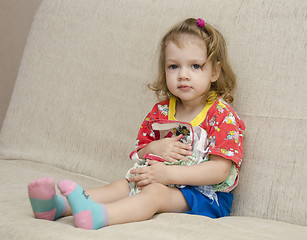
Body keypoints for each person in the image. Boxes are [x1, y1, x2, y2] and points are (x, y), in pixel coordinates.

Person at [28, 17, 245, 230]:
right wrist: (153, 148)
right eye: (174, 66)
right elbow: (140, 152)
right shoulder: (160, 111)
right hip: (160, 180)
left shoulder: (220, 115)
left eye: (195, 66)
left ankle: (102, 216)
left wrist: (167, 175)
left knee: (155, 194)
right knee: (121, 186)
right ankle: (56, 207)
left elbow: (219, 170)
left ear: (214, 71)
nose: (183, 75)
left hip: (204, 196)